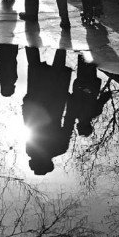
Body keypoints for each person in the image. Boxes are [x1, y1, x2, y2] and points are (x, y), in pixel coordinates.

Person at [22, 47, 73, 175]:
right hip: (35, 108)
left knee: (56, 72)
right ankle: (30, 38)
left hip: (53, 107)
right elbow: (29, 128)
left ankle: (63, 41)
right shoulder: (30, 151)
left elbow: (69, 123)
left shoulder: (60, 149)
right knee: (35, 69)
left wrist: (70, 102)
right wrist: (25, 106)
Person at [64, 55, 112, 137]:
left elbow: (102, 100)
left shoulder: (94, 113)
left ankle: (88, 47)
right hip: (82, 84)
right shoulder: (75, 113)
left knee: (89, 60)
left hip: (89, 84)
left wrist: (108, 94)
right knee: (84, 58)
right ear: (82, 127)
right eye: (78, 128)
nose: (77, 127)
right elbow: (69, 99)